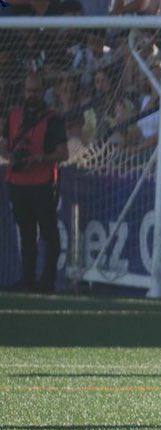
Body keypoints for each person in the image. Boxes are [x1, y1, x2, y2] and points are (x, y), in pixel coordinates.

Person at [2, 72, 68, 293]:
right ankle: (27, 280)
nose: (31, 95)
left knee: (49, 234)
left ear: (43, 91)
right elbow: (3, 145)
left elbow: (63, 153)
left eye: (36, 91)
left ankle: (47, 281)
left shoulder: (53, 118)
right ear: (24, 91)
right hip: (17, 183)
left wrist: (41, 158)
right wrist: (12, 156)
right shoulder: (13, 115)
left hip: (42, 182)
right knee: (26, 234)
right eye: (29, 90)